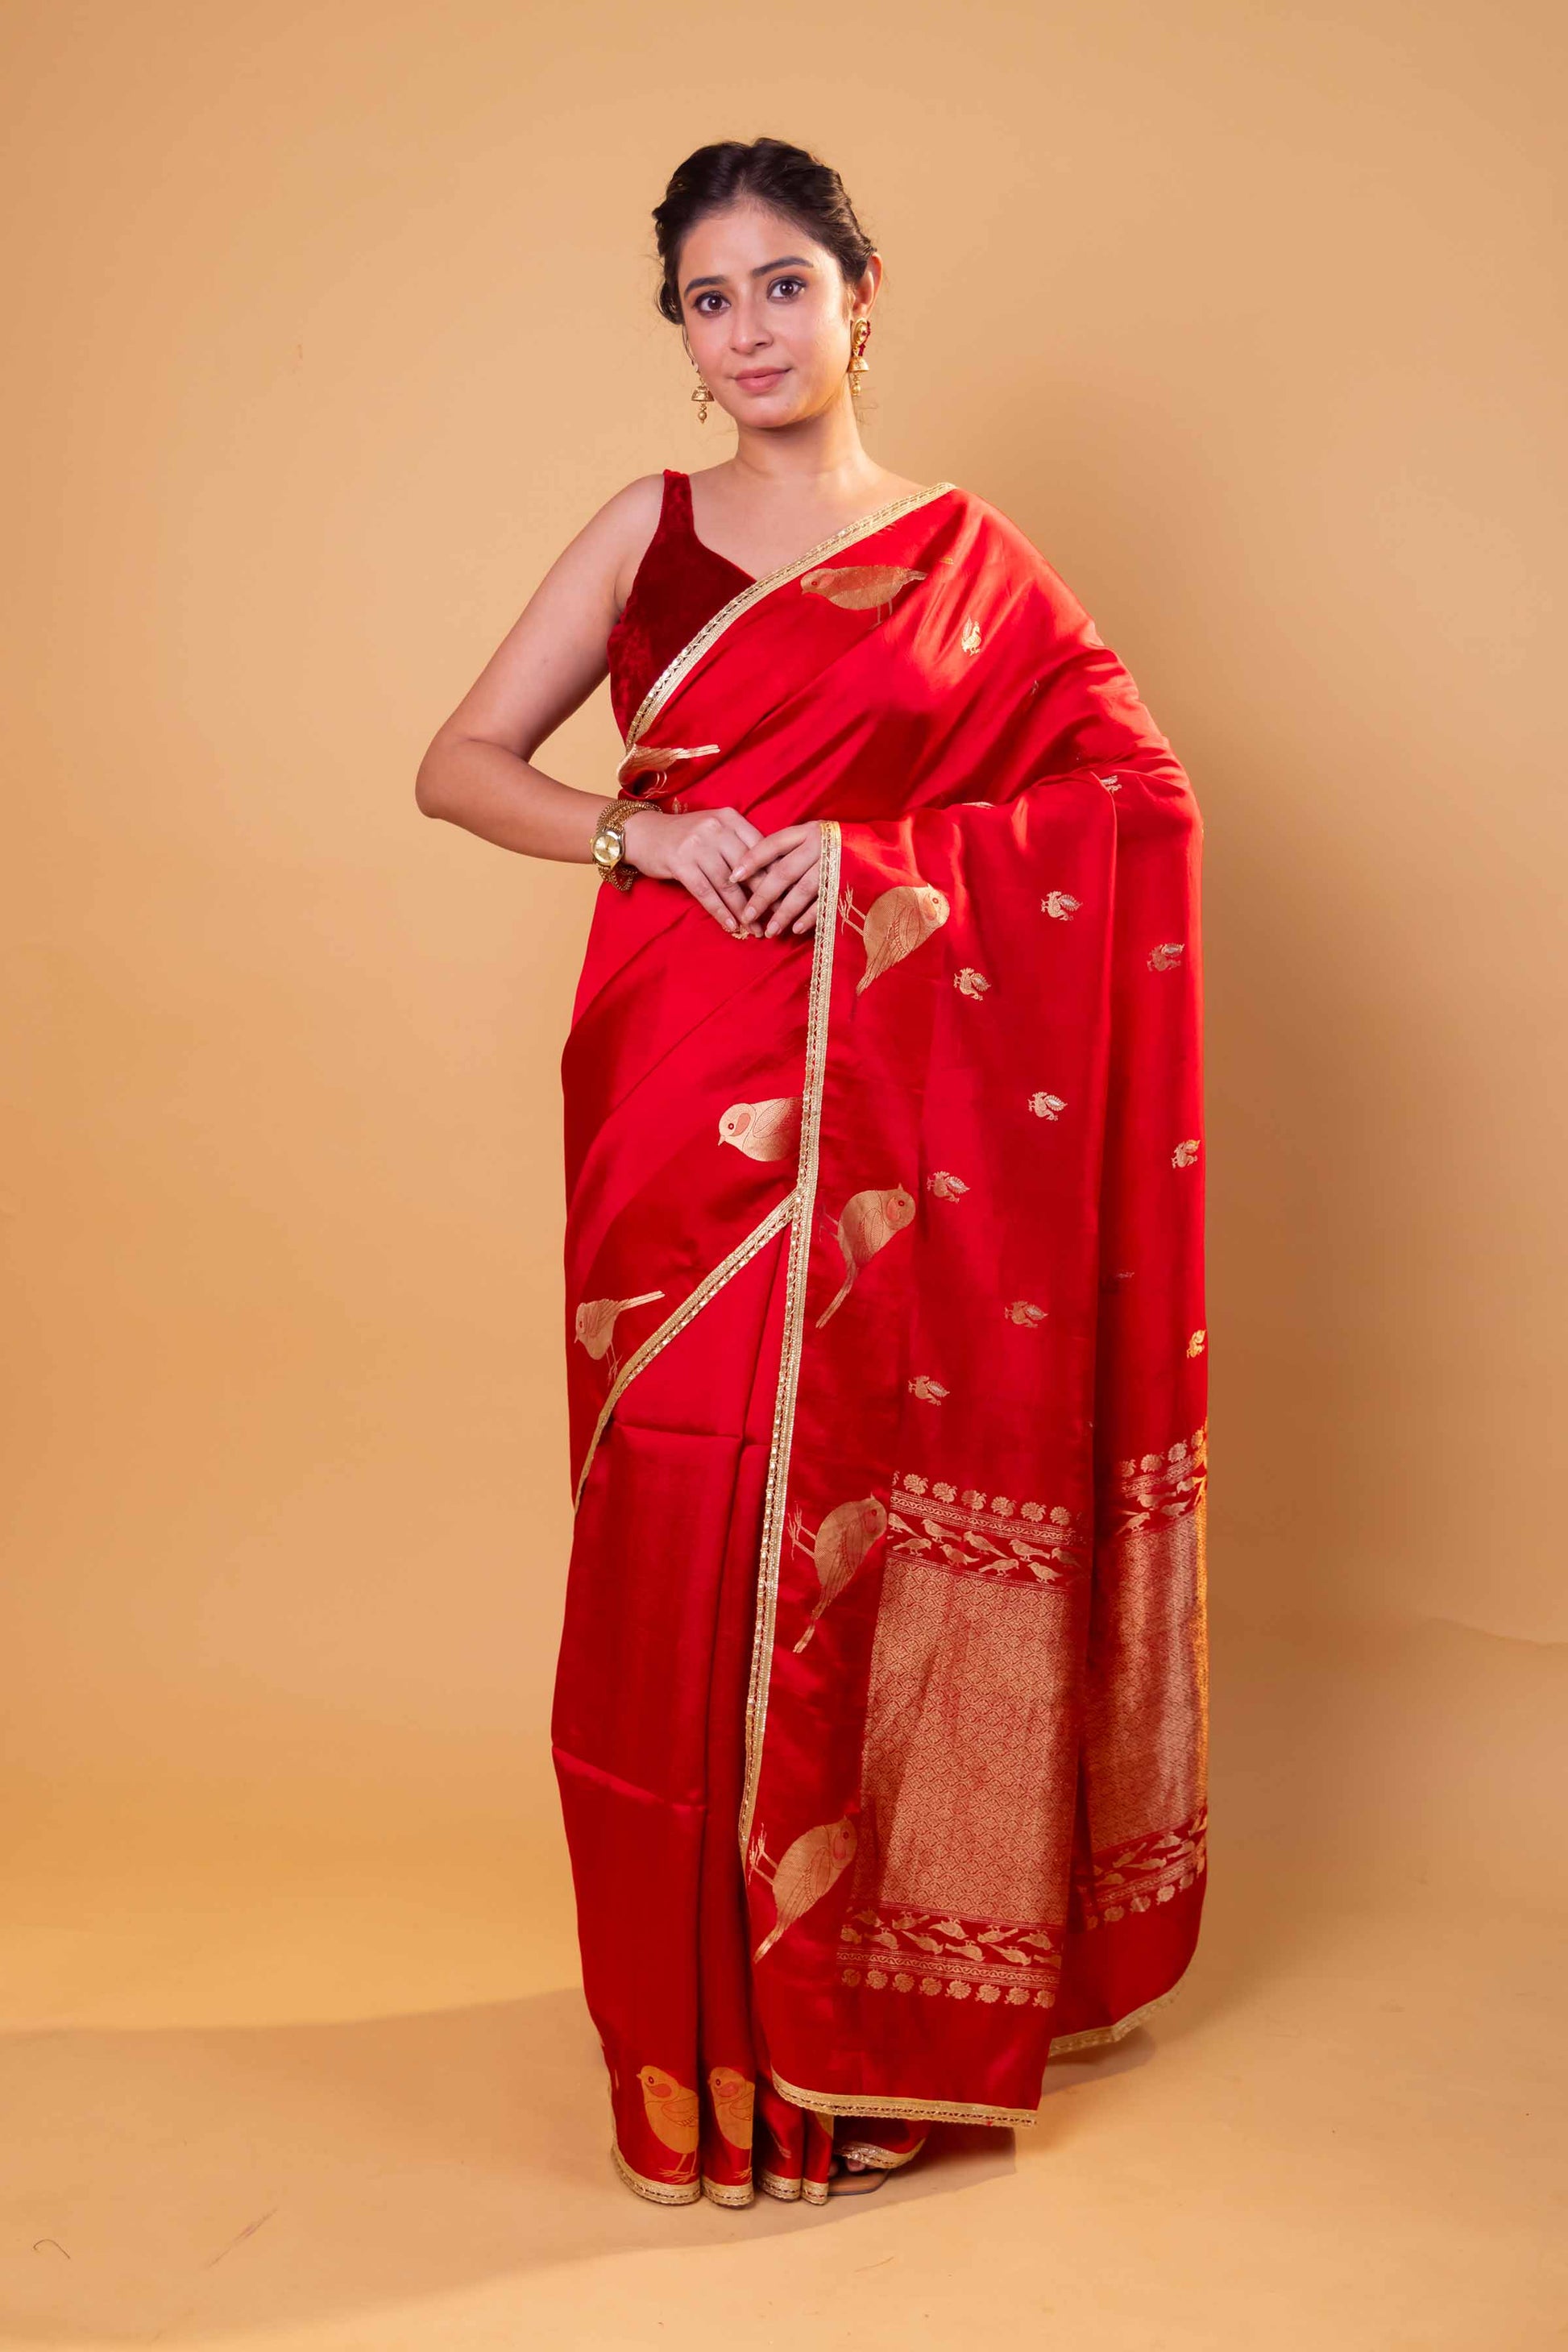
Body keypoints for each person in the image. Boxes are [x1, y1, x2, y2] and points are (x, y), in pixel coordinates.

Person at [415, 136, 1209, 2210]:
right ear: (679, 337)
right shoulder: (648, 528)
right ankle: (693, 2048)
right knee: (682, 1523)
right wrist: (653, 834)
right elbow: (459, 764)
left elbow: (1134, 805)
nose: (750, 329)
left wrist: (874, 867)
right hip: (678, 1076)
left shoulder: (970, 561)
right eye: (709, 299)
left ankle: (860, 2035)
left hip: (899, 1112)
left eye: (783, 284)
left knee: (847, 1514)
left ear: (862, 296)